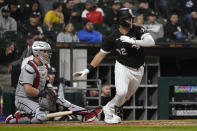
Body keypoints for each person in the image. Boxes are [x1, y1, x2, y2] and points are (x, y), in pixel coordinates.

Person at [73, 8, 155, 124]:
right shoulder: (112, 37)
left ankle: (110, 110)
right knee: (121, 93)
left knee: (125, 97)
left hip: (139, 69)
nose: (131, 21)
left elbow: (151, 42)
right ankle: (109, 110)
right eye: (128, 19)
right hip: (123, 67)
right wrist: (88, 69)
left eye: (131, 18)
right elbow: (101, 55)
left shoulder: (137, 29)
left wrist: (133, 41)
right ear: (121, 20)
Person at [5, 41, 54, 124]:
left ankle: (23, 114)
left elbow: (46, 81)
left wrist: (51, 90)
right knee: (40, 117)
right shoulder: (29, 65)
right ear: (37, 52)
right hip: (24, 96)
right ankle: (14, 119)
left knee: (51, 105)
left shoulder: (44, 65)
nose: (47, 54)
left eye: (47, 52)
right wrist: (44, 94)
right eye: (44, 51)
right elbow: (28, 89)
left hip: (35, 96)